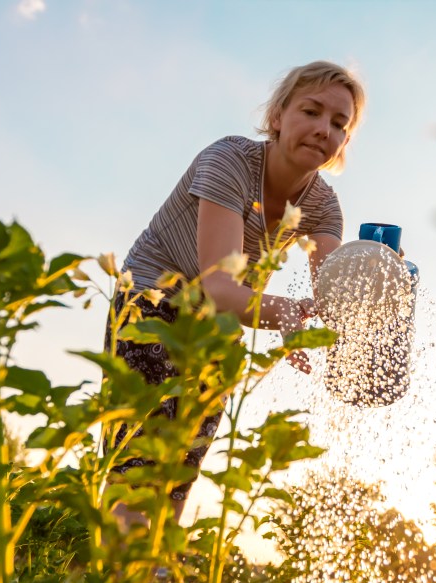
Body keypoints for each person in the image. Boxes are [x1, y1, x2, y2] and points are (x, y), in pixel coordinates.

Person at [104, 60, 366, 531]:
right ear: (278, 116)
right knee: (138, 465)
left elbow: (335, 295)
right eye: (311, 111)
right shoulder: (229, 161)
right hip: (153, 298)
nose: (324, 129)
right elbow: (219, 286)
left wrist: (379, 276)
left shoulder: (324, 206)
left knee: (182, 467)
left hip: (220, 322)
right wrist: (283, 311)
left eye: (339, 124)